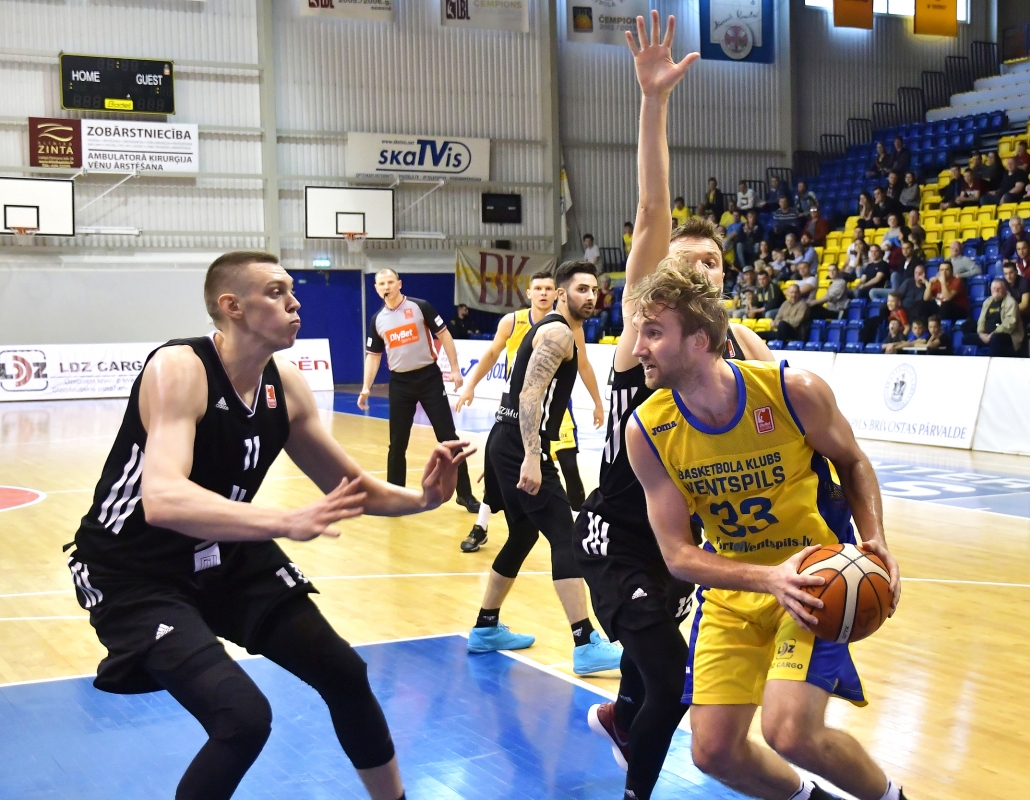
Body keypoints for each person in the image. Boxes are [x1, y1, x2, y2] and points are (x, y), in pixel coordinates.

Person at [67, 250, 474, 800]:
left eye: (291, 291)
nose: (295, 302)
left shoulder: (286, 386)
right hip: (132, 570)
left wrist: (424, 499)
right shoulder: (180, 368)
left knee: (345, 674)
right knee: (242, 719)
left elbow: (350, 487)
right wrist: (282, 520)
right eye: (277, 292)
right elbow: (162, 499)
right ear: (232, 306)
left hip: (224, 549)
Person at [579, 18, 773, 799]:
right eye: (686, 261)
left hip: (684, 542)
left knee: (649, 676)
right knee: (668, 675)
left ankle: (619, 720)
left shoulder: (746, 352)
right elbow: (653, 204)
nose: (701, 270)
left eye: (714, 262)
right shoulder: (642, 332)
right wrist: (654, 102)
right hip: (619, 535)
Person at [624, 264, 904, 800]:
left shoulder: (792, 391)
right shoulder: (648, 430)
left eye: (653, 333)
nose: (638, 348)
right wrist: (767, 578)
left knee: (790, 732)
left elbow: (852, 461)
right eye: (640, 332)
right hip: (735, 591)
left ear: (699, 340)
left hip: (815, 581)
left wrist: (875, 539)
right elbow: (678, 554)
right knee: (713, 752)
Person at [464, 260, 623, 675]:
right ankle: (585, 643)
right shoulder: (557, 333)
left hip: (507, 440)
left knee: (522, 534)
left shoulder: (563, 330)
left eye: (594, 290)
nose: (591, 296)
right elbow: (530, 396)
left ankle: (485, 626)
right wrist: (532, 455)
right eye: (582, 289)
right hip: (521, 442)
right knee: (566, 536)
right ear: (561, 294)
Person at [359, 270, 479, 512]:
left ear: (399, 284)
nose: (386, 286)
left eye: (390, 282)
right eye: (381, 283)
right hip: (400, 384)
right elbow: (373, 357)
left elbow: (445, 336)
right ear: (376, 288)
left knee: (449, 438)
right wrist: (365, 387)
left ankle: (465, 494)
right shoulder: (377, 320)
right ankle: (395, 496)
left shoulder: (419, 307)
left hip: (429, 379)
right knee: (397, 443)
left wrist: (455, 369)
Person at [964, 278, 1024, 357]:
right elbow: (981, 320)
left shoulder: (1011, 302)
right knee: (966, 338)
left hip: (1005, 335)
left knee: (995, 339)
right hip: (986, 335)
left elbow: (1010, 324)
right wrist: (981, 334)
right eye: (994, 288)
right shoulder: (987, 302)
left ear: (1004, 289)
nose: (996, 290)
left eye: (999, 288)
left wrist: (992, 334)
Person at [1002, 260, 1030, 330]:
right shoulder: (1004, 283)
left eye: (1011, 273)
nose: (1008, 276)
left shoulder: (1024, 283)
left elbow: (1024, 305)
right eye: (1006, 274)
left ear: (1016, 272)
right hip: (1015, 311)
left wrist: (1008, 311)